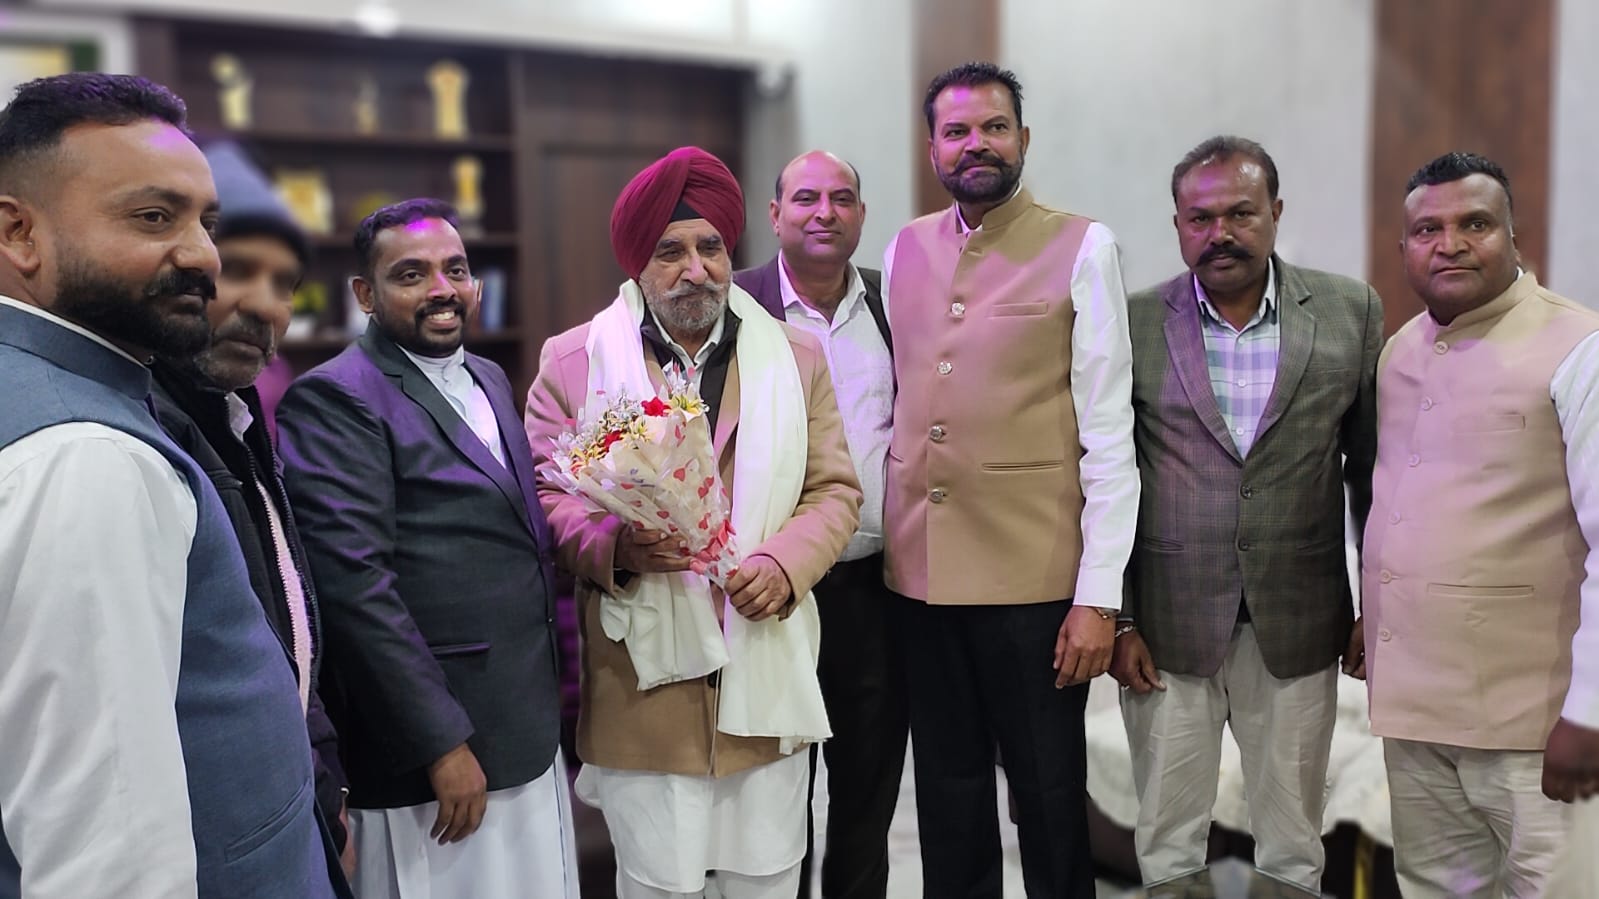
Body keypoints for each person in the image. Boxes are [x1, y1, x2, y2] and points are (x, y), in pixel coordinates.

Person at [0, 73, 339, 897]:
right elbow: (107, 858)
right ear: (18, 233)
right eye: (153, 217)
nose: (203, 257)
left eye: (205, 223)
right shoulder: (86, 453)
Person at [524, 146, 862, 899]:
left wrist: (785, 565)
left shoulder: (796, 356)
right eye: (669, 252)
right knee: (657, 884)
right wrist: (617, 546)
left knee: (767, 878)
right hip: (643, 692)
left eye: (710, 247)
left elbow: (834, 490)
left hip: (764, 673)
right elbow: (547, 497)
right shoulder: (574, 361)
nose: (695, 269)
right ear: (638, 264)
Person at [880, 62, 1139, 897]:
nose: (977, 144)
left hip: (1034, 579)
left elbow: (1108, 432)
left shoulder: (1083, 245)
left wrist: (1099, 597)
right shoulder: (902, 248)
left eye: (994, 127)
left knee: (1049, 797)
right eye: (956, 131)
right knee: (947, 796)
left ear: (1022, 138)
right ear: (932, 148)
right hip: (920, 576)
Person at [276, 199, 578, 898]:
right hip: (438, 755)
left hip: (522, 724)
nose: (442, 289)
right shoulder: (336, 397)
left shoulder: (489, 376)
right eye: (412, 274)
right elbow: (356, 588)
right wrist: (441, 742)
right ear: (365, 294)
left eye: (456, 270)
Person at [1111, 135, 1381, 890]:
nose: (1219, 232)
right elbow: (1104, 479)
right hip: (1166, 624)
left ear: (1274, 212)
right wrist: (1120, 619)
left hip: (1298, 620)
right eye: (1199, 218)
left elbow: (1372, 474)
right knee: (1167, 842)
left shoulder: (1349, 309)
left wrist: (1377, 607)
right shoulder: (1132, 322)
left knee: (1293, 845)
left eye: (1240, 213)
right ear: (1177, 224)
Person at [1360, 151, 1599, 897]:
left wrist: (1590, 714)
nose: (1450, 244)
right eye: (1427, 230)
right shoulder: (1398, 352)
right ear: (1404, 247)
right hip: (1415, 718)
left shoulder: (1580, 346)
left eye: (1474, 224)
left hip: (1535, 728)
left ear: (1513, 235)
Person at [149, 140, 352, 872]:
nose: (265, 304)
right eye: (237, 269)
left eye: (285, 283)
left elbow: (288, 618)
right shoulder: (136, 436)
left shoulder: (241, 416)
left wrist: (325, 782)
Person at [734, 149, 903, 899]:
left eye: (841, 198)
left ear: (861, 215)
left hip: (877, 588)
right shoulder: (737, 305)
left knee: (868, 788)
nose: (824, 213)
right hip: (772, 590)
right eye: (805, 198)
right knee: (776, 794)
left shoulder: (896, 306)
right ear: (775, 215)